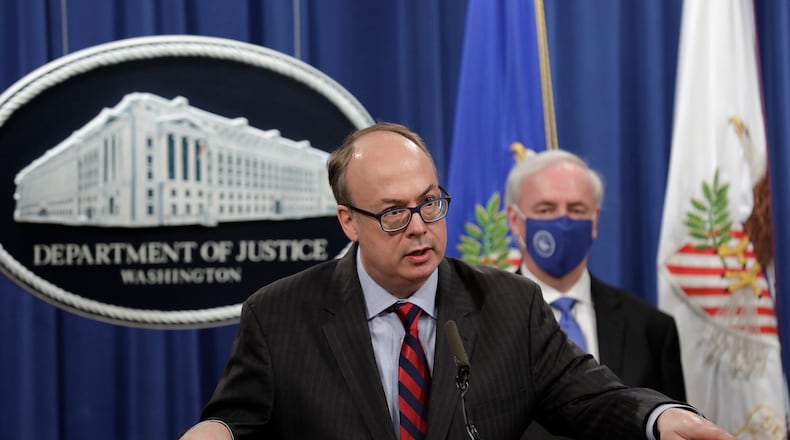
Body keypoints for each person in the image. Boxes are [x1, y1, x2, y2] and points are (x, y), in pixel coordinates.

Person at [180, 122, 734, 440]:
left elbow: (591, 396)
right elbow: (238, 420)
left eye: (430, 203)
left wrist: (660, 418)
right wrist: (218, 430)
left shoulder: (509, 305)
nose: (420, 227)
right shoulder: (279, 315)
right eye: (393, 213)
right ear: (348, 221)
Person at [503, 149, 687, 440]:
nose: (563, 222)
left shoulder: (651, 329)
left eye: (576, 210)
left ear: (595, 220)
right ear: (515, 219)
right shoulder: (483, 323)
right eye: (546, 209)